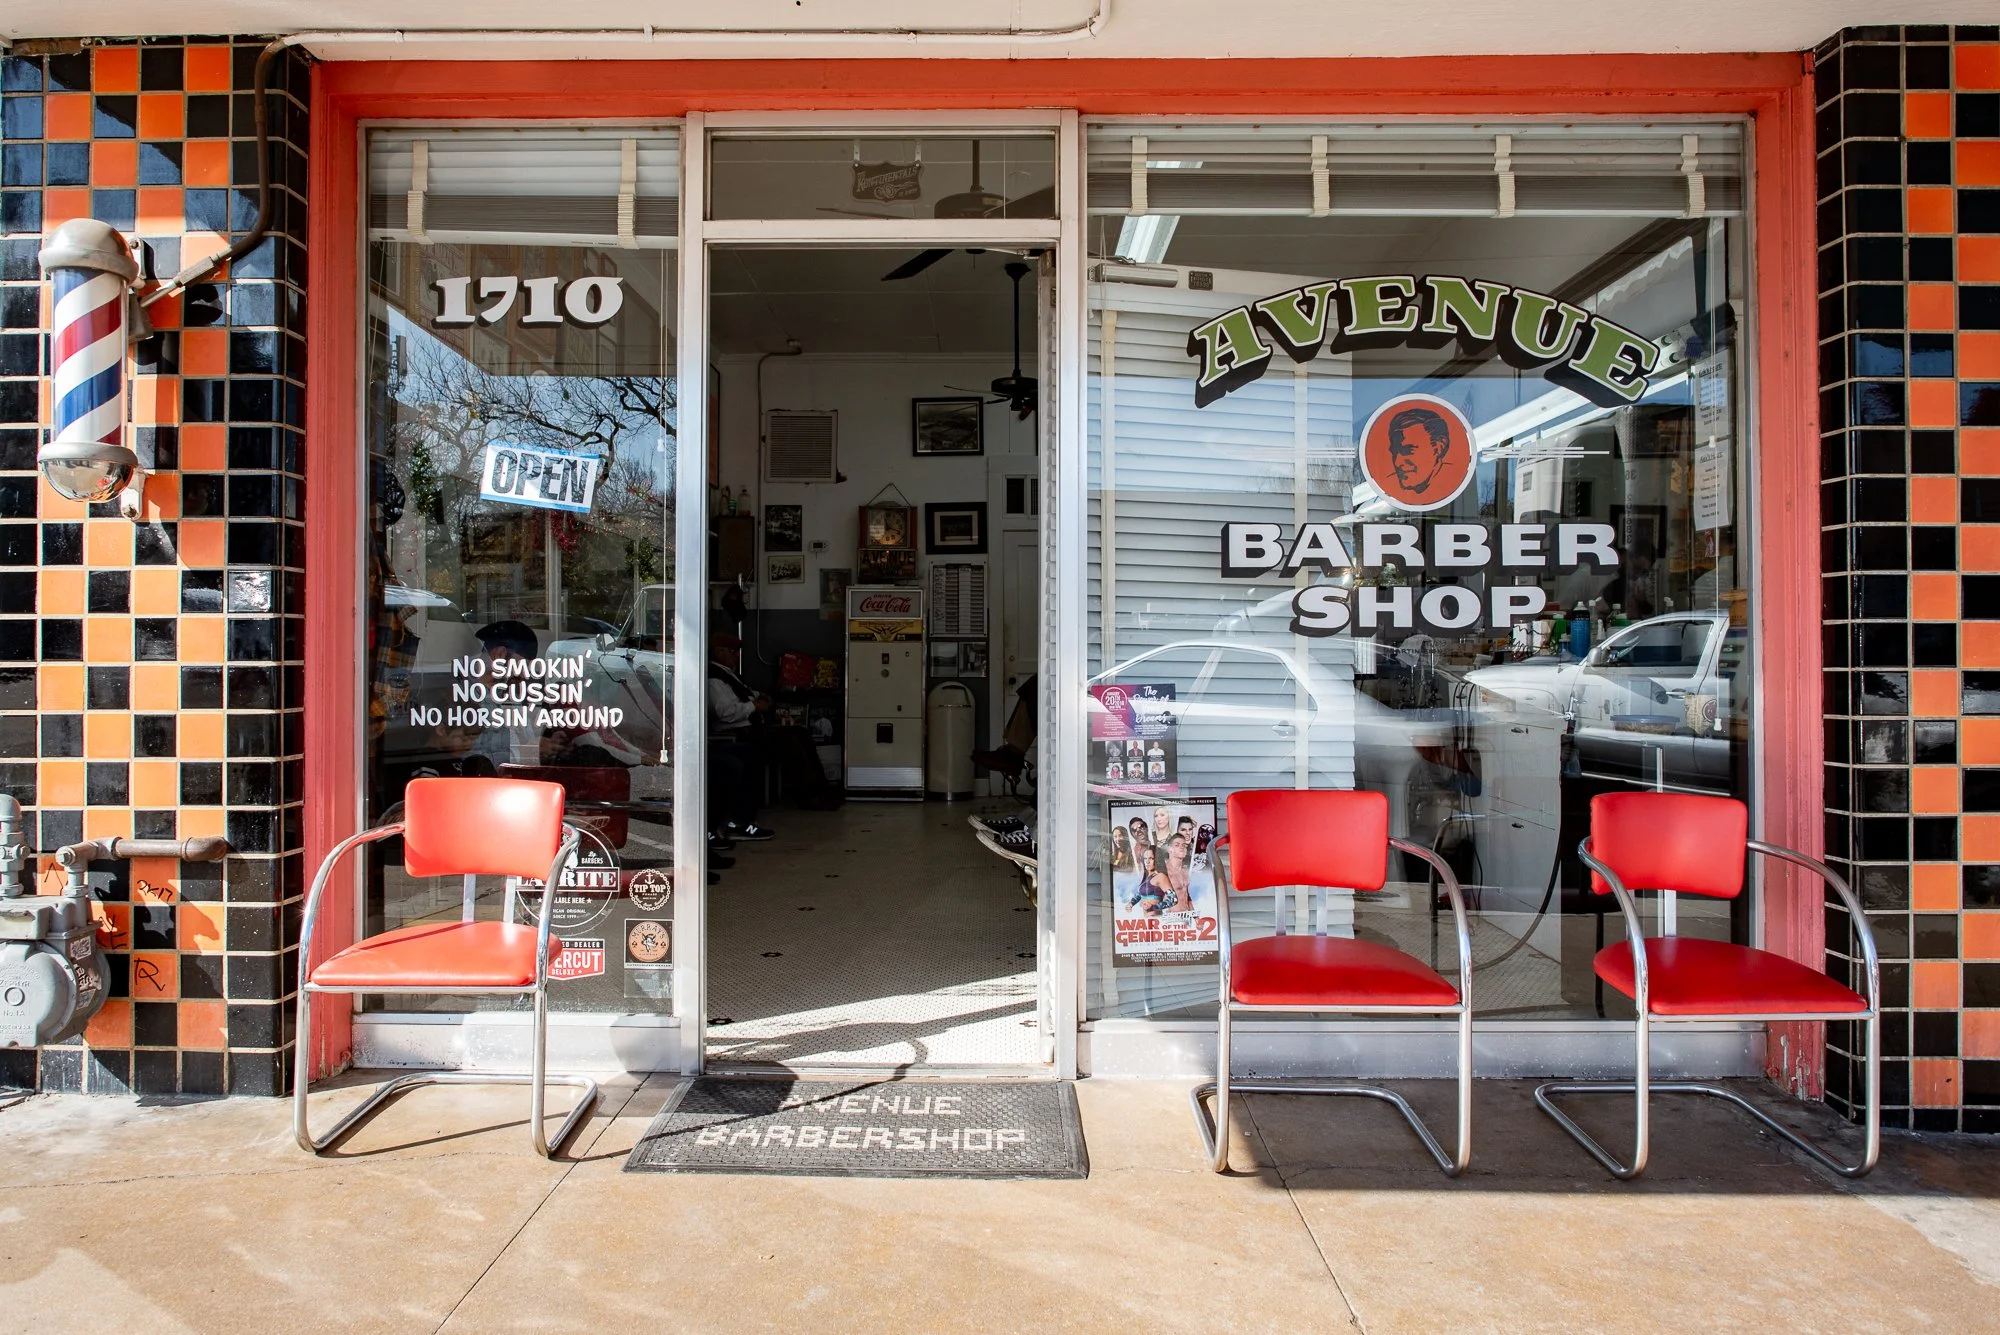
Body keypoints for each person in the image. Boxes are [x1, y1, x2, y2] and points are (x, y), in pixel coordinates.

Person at [707, 632, 776, 843]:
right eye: (732, 651)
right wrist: (754, 706)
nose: (736, 656)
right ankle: (739, 821)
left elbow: (744, 693)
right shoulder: (714, 678)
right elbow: (726, 712)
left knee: (794, 737)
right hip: (733, 733)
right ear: (719, 651)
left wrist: (758, 697)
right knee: (749, 758)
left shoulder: (728, 674)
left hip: (749, 730)